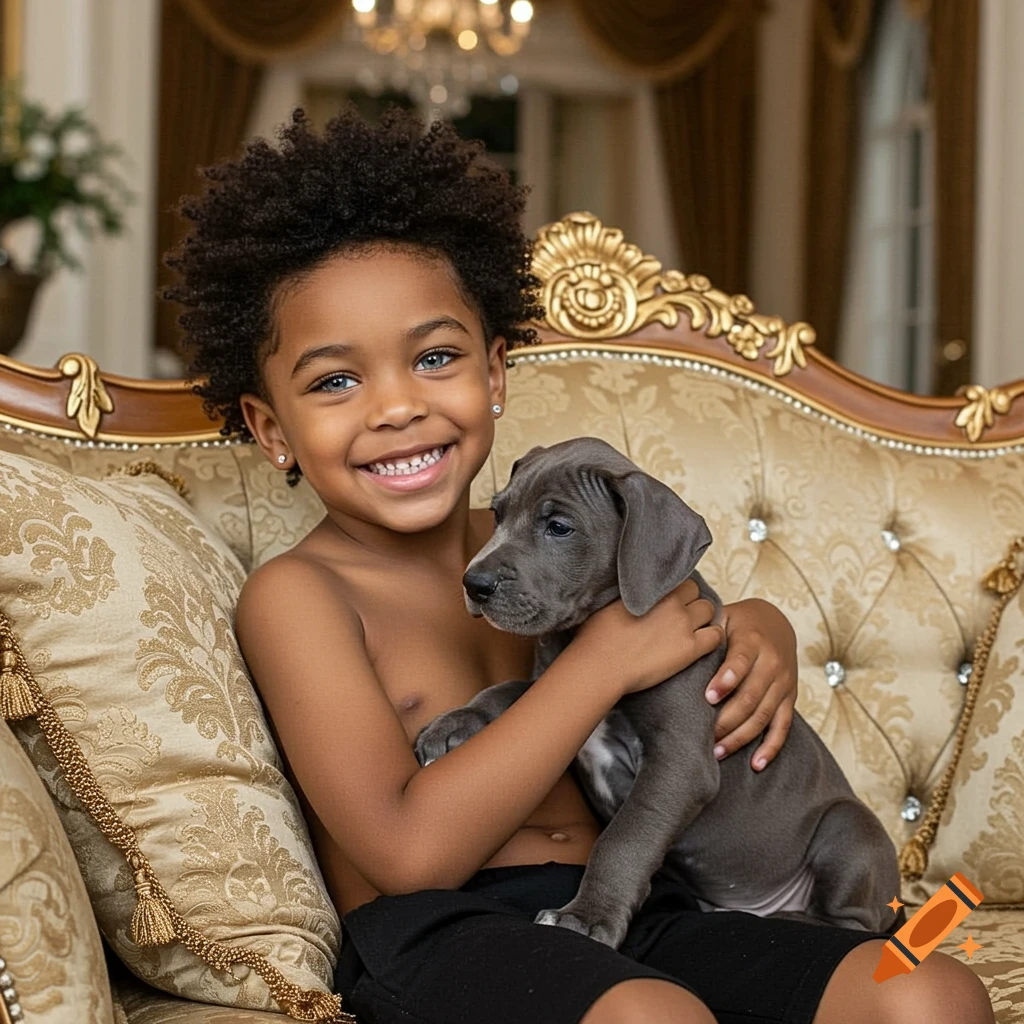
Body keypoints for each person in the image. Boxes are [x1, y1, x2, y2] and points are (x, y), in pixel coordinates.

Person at [164, 105, 994, 1024]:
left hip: (642, 900)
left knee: (927, 992)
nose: (396, 406)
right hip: (446, 932)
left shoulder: (564, 533)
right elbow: (406, 854)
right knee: (652, 1021)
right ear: (271, 428)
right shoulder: (301, 595)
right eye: (335, 380)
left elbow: (682, 632)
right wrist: (604, 660)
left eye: (435, 357)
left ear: (495, 375)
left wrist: (761, 629)